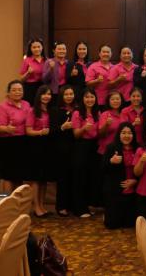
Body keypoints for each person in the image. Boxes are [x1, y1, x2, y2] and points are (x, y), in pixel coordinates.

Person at [0, 80, 30, 193]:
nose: (17, 92)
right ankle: (8, 201)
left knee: (19, 175)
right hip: (8, 143)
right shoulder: (2, 107)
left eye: (20, 90)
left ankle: (17, 201)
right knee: (8, 175)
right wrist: (7, 129)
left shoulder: (26, 104)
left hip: (23, 142)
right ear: (8, 93)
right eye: (14, 90)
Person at [102, 123, 138, 229]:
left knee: (130, 225)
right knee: (112, 225)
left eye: (129, 133)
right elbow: (102, 169)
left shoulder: (138, 148)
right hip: (115, 191)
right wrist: (111, 161)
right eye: (123, 133)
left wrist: (135, 181)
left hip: (133, 192)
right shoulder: (111, 148)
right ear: (119, 134)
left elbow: (144, 170)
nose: (126, 136)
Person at [71, 89, 100, 218]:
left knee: (91, 177)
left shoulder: (97, 113)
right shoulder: (77, 113)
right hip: (81, 146)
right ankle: (79, 208)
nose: (89, 99)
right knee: (80, 177)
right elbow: (76, 134)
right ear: (82, 99)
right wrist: (84, 128)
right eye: (87, 97)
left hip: (94, 147)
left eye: (92, 97)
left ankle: (89, 205)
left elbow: (99, 132)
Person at [26, 85, 52, 216]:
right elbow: (28, 130)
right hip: (35, 146)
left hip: (47, 146)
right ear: (39, 96)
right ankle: (36, 207)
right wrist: (40, 132)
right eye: (44, 94)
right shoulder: (32, 110)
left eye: (49, 94)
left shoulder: (50, 110)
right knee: (36, 178)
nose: (47, 96)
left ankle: (42, 205)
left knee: (44, 178)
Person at [50, 85, 76, 216]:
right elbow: (52, 131)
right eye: (66, 94)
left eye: (71, 94)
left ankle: (71, 204)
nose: (69, 96)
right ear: (61, 96)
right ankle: (61, 206)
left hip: (75, 147)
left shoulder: (77, 109)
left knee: (73, 177)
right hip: (61, 148)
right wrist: (63, 127)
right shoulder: (56, 110)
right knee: (63, 178)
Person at [98, 91, 124, 156]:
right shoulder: (105, 114)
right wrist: (106, 124)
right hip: (106, 150)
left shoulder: (124, 113)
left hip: (121, 149)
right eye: (112, 99)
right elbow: (101, 134)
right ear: (108, 101)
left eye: (117, 99)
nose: (115, 101)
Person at [20, 38, 45, 105]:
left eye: (38, 47)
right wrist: (28, 73)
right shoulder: (26, 61)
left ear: (42, 47)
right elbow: (21, 79)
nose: (37, 49)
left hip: (43, 87)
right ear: (30, 49)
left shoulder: (46, 60)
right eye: (34, 47)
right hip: (30, 88)